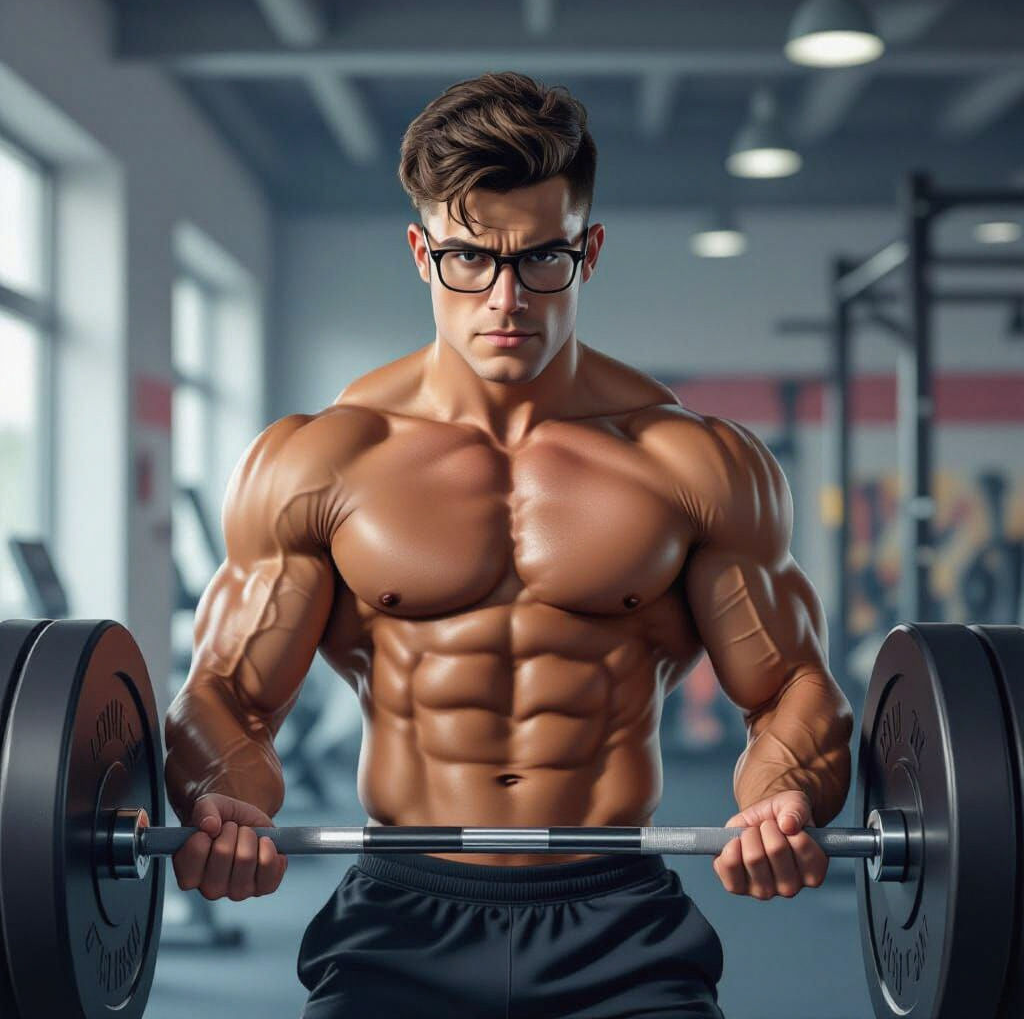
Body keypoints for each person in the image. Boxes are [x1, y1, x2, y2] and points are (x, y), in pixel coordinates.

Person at [164, 71, 854, 1019]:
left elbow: (791, 689)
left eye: (541, 259)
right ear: (421, 253)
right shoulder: (321, 461)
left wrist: (783, 795)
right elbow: (226, 696)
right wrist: (224, 802)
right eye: (468, 259)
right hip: (400, 916)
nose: (506, 297)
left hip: (618, 917)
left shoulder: (693, 463)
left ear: (588, 250)